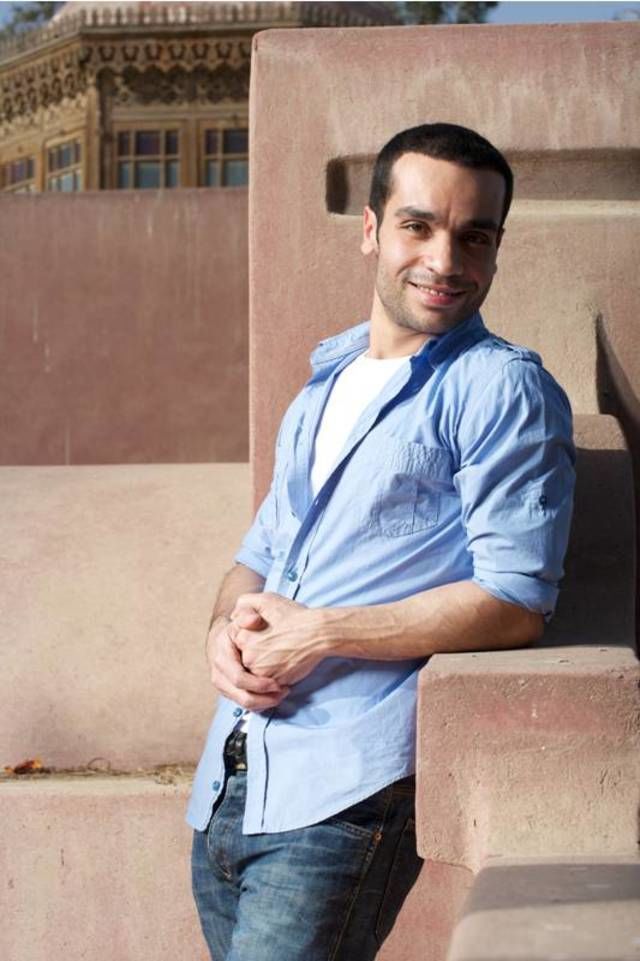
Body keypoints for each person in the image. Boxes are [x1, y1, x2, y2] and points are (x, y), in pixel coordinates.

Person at [188, 122, 575, 961]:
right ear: (371, 229)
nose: (445, 259)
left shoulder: (500, 388)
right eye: (418, 226)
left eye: (475, 237)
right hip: (231, 780)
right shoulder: (322, 387)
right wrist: (221, 632)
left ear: (496, 249)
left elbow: (515, 600)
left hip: (345, 793)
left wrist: (320, 632)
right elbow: (257, 556)